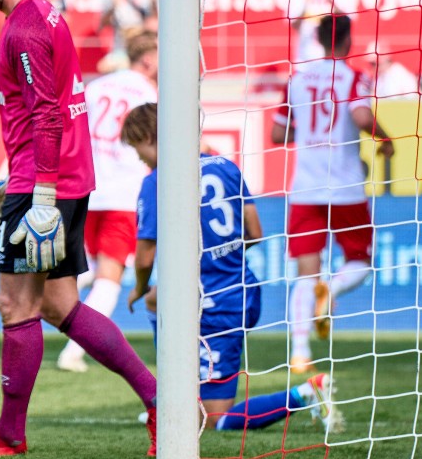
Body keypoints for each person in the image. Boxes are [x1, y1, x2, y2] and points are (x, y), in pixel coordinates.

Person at [0, 0, 158, 458]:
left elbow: (45, 113)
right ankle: (162, 402)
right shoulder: (46, 12)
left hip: (48, 184)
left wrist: (36, 193)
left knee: (14, 305)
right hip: (58, 178)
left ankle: (9, 436)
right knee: (61, 306)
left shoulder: (25, 30)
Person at [122, 102, 342, 433]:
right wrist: (217, 253)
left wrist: (138, 285)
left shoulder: (157, 181)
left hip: (214, 306)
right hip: (241, 288)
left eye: (138, 149)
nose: (139, 158)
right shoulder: (226, 166)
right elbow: (254, 232)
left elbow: (144, 256)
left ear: (151, 137)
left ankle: (306, 393)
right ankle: (172, 398)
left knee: (215, 420)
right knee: (158, 299)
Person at [271, 13, 394, 373]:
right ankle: (332, 288)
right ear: (348, 40)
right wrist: (385, 140)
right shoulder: (354, 77)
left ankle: (299, 352)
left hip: (305, 189)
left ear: (321, 39)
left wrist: (309, 135)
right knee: (360, 261)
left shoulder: (297, 80)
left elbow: (278, 135)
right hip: (345, 187)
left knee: (304, 274)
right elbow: (360, 117)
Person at [55, 29, 158, 373]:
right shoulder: (148, 93)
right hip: (124, 193)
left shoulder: (96, 86)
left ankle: (39, 297)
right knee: (109, 277)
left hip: (85, 189)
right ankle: (74, 351)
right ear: (147, 59)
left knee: (85, 269)